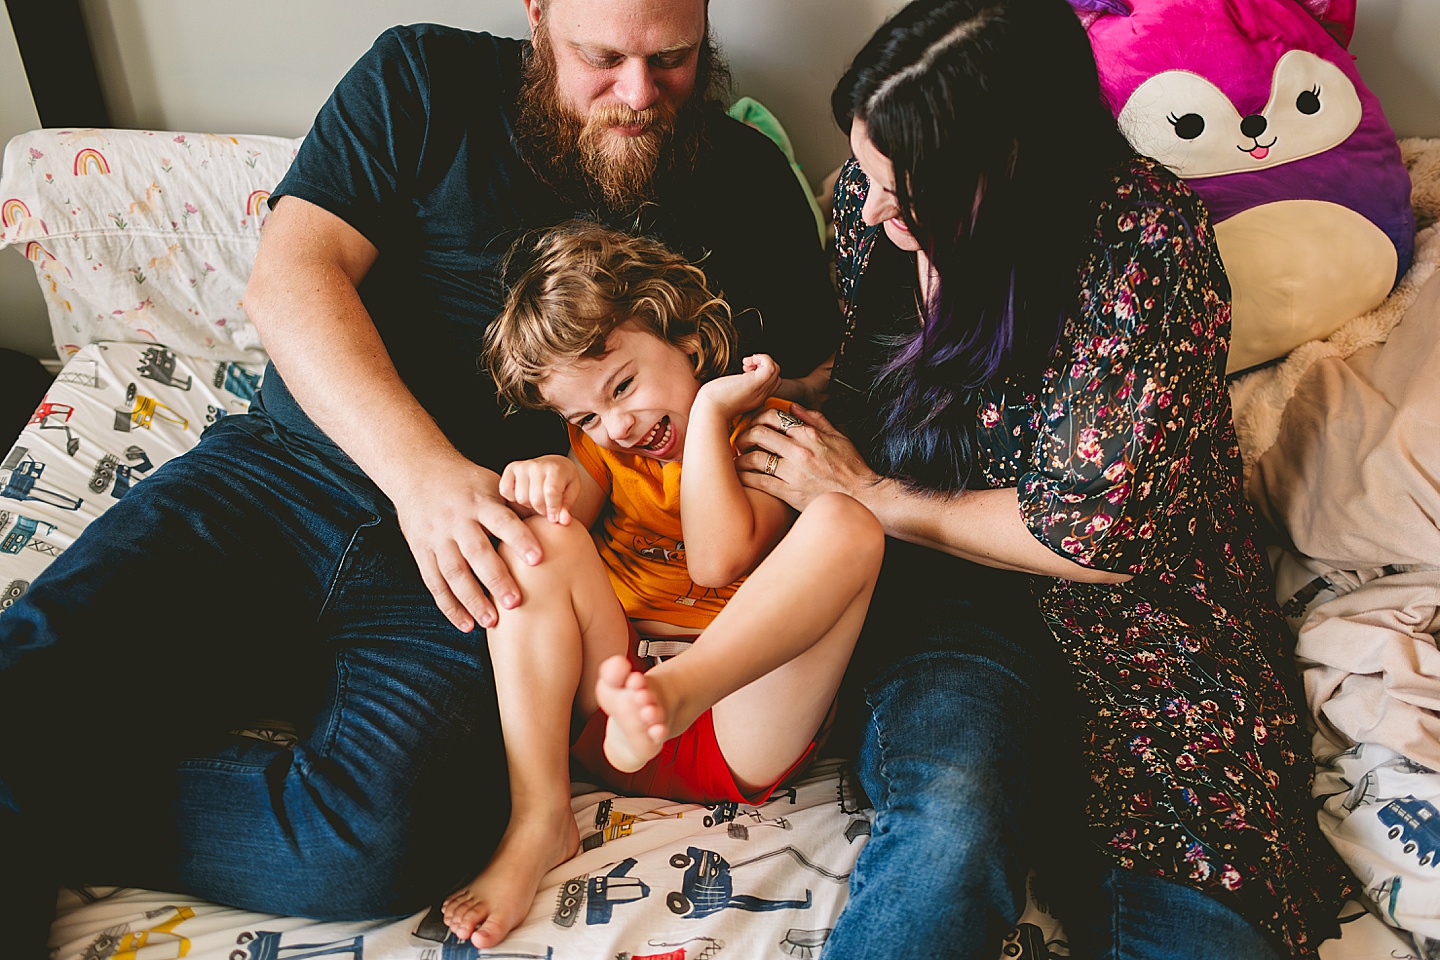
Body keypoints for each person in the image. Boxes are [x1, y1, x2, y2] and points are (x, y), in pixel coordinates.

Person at [0, 1, 838, 956]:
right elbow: (289, 278)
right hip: (281, 476)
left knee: (371, 846)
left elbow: (802, 382)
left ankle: (32, 777)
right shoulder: (422, 79)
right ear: (537, 14)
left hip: (484, 566)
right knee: (28, 684)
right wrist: (424, 476)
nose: (640, 94)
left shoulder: (745, 180)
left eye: (674, 59)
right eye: (602, 58)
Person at [735, 1, 1355, 957]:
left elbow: (1101, 538)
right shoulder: (875, 229)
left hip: (1152, 622)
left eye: (902, 192)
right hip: (948, 608)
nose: (868, 209)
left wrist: (872, 495)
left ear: (1007, 171)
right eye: (865, 175)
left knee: (1207, 919)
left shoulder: (1143, 241)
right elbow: (859, 380)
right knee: (951, 820)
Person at [438, 222, 881, 948]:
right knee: (535, 540)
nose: (616, 426)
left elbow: (717, 560)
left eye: (623, 386)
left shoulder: (763, 433)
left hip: (734, 713)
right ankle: (539, 814)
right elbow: (572, 509)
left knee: (845, 523)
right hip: (607, 713)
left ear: (686, 340)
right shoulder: (601, 447)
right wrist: (549, 478)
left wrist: (710, 414)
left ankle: (676, 694)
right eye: (585, 415)